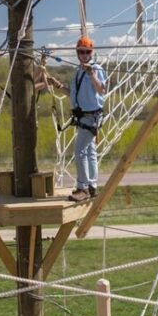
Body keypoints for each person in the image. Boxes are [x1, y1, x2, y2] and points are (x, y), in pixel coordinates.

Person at [52, 36, 107, 202]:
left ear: (92, 53)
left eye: (87, 52)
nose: (84, 55)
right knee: (89, 151)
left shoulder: (96, 69)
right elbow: (74, 95)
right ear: (77, 53)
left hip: (91, 116)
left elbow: (101, 89)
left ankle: (83, 187)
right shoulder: (77, 72)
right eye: (81, 52)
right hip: (83, 117)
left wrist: (91, 74)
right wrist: (60, 87)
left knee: (80, 151)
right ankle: (92, 185)